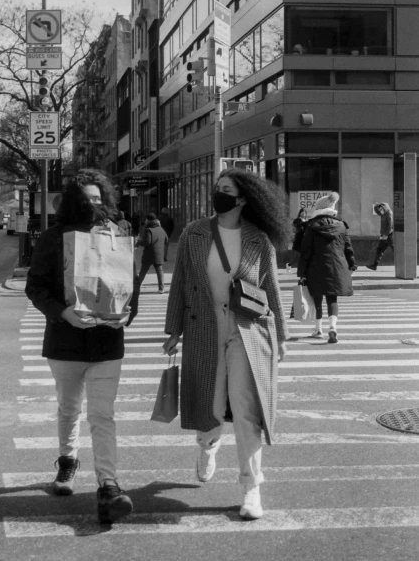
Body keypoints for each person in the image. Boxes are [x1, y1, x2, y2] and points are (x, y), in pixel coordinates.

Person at [163, 169, 291, 521]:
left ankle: (251, 488)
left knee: (247, 409)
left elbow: (272, 289)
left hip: (248, 329)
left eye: (226, 190)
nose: (219, 195)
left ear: (244, 199)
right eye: (217, 189)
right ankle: (208, 444)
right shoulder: (195, 233)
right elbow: (181, 283)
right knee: (211, 402)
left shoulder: (258, 239)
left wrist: (280, 334)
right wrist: (173, 329)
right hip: (204, 325)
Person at [25, 169, 139, 524]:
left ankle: (109, 484)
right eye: (85, 198)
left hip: (107, 341)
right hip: (66, 340)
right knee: (68, 407)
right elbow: (35, 287)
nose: (93, 204)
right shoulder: (53, 237)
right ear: (72, 202)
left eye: (98, 198)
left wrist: (127, 314)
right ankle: (68, 462)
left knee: (103, 415)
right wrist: (63, 313)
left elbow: (129, 287)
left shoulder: (117, 235)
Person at [297, 192, 357, 344]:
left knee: (316, 298)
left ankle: (318, 329)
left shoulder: (311, 226)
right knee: (332, 298)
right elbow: (348, 247)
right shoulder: (341, 225)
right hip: (336, 266)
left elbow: (306, 251)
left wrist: (302, 272)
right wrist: (352, 264)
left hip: (315, 267)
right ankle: (333, 327)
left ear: (318, 208)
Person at [137, 212, 167, 293]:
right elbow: (166, 239)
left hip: (149, 254)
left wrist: (139, 242)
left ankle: (137, 287)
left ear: (148, 220)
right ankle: (161, 288)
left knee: (143, 271)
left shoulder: (148, 230)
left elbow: (147, 242)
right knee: (159, 271)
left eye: (146, 219)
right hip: (159, 253)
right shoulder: (161, 229)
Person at [366, 203, 394, 271]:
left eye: (379, 211)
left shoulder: (389, 213)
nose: (379, 214)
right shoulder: (383, 214)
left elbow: (390, 225)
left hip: (389, 235)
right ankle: (374, 265)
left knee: (395, 250)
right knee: (380, 249)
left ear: (382, 208)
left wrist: (386, 235)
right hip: (383, 235)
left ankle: (402, 264)